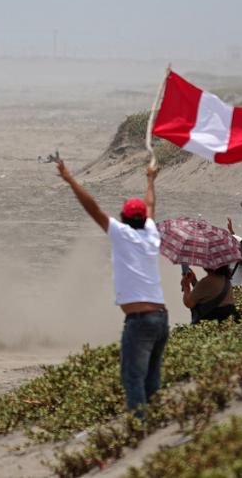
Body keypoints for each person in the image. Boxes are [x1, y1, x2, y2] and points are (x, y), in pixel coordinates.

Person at [57, 158, 167, 417]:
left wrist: (70, 178)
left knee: (133, 378)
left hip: (140, 321)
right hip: (161, 318)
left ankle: (140, 430)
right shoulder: (151, 233)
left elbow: (92, 208)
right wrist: (150, 180)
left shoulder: (121, 234)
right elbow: (150, 206)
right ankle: (155, 423)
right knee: (151, 378)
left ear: (123, 218)